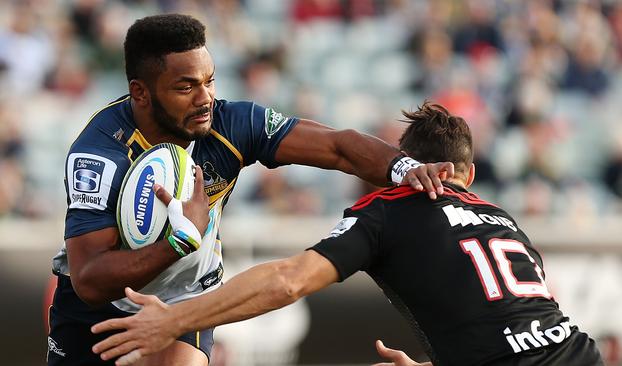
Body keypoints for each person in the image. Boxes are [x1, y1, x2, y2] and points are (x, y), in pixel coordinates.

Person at [47, 14, 453, 366]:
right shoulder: (99, 155)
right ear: (141, 92)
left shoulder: (232, 124)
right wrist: (178, 241)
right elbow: (88, 278)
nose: (205, 98)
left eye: (209, 81)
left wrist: (406, 168)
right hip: (97, 309)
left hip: (185, 298)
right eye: (185, 87)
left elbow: (337, 145)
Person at [90, 102, 603, 366]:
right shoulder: (503, 218)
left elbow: (289, 280)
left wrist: (172, 320)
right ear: (464, 175)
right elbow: (518, 330)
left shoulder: (388, 209)